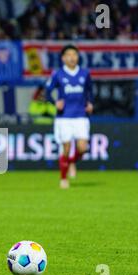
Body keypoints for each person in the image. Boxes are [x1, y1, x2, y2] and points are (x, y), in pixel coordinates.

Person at [45, 44, 94, 189]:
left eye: (75, 55)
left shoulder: (85, 74)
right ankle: (63, 177)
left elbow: (90, 91)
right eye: (69, 55)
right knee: (65, 148)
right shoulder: (57, 74)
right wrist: (55, 102)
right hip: (64, 117)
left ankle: (72, 161)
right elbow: (47, 91)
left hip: (81, 115)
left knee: (82, 148)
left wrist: (90, 103)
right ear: (63, 58)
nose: (72, 58)